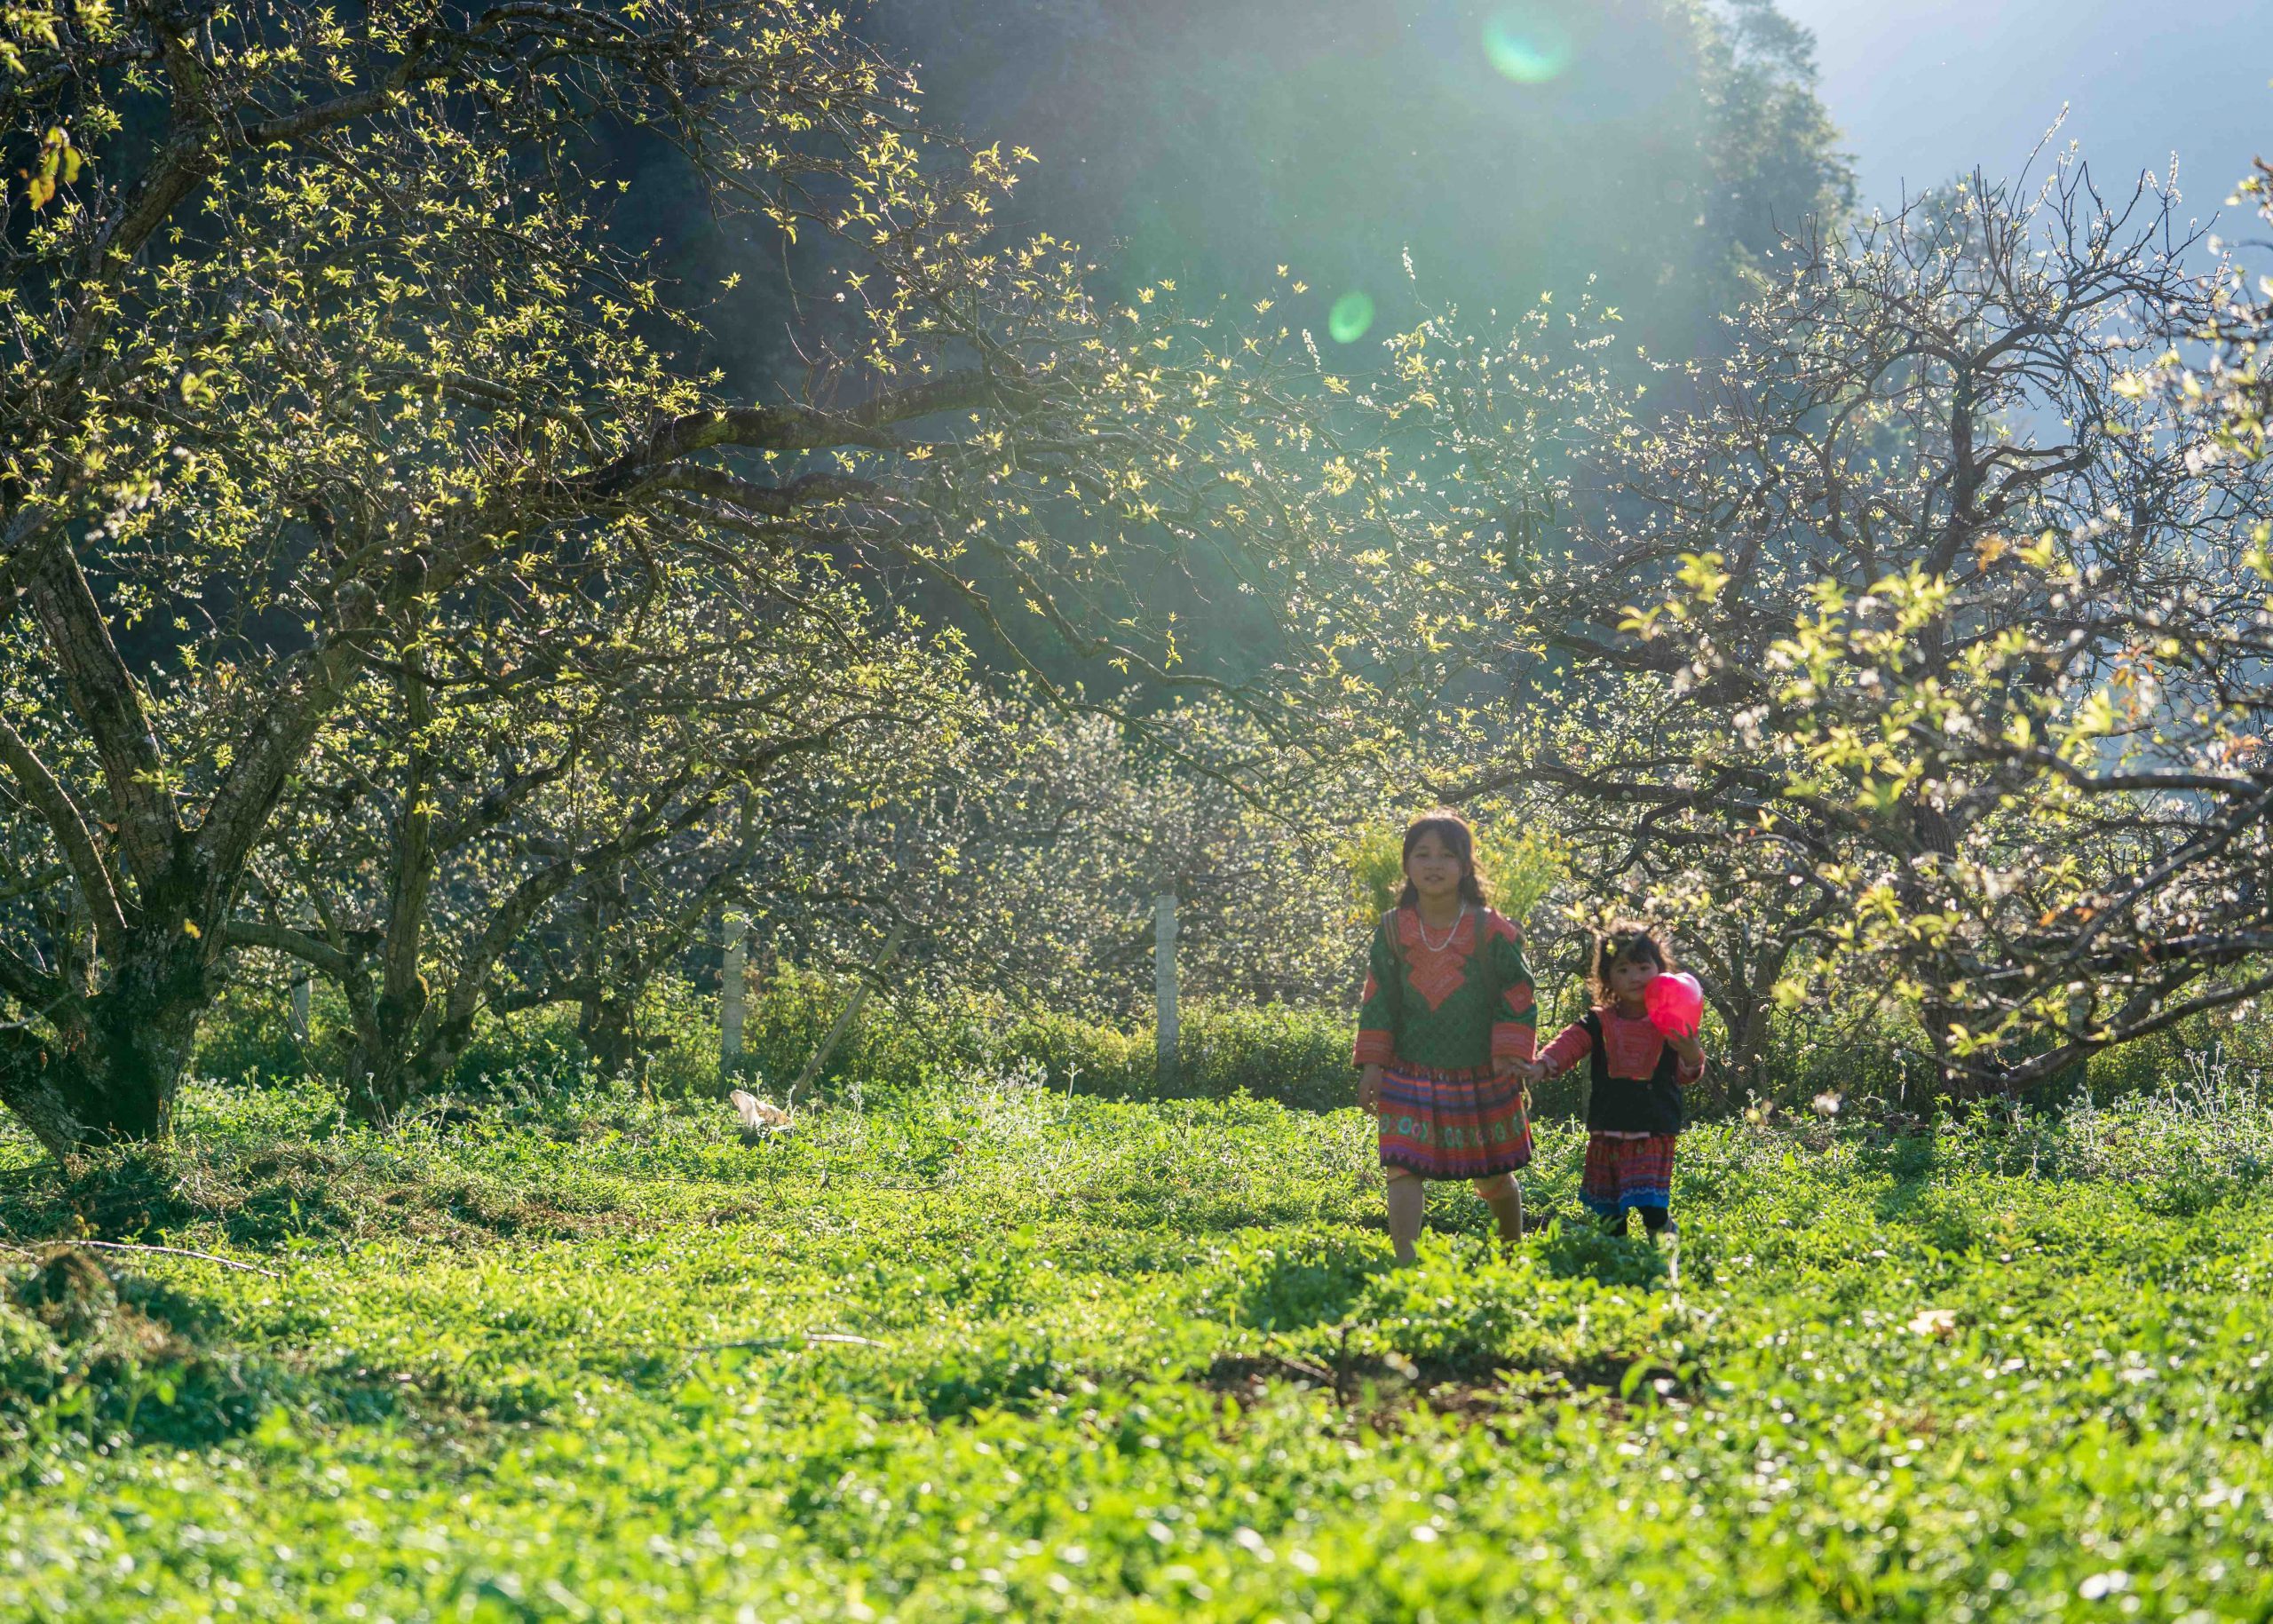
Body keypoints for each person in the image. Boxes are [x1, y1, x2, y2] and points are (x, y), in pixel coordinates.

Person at [1354, 811, 1539, 1265]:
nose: (1433, 864)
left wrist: (1510, 1054)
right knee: (1402, 1167)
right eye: (1422, 854)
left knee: (1494, 1176)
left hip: (1479, 1072)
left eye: (1446, 855)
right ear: (1407, 864)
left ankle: (1512, 1252)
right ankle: (1405, 1262)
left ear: (1465, 866)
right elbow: (1377, 997)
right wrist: (1373, 1066)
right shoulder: (1393, 929)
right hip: (1408, 1070)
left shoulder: (1490, 928)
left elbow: (1517, 991)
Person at [1518, 921, 1705, 1245]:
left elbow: (1686, 1073)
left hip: (1653, 1126)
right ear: (1607, 977)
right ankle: (1614, 1252)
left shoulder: (1670, 1018)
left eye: (1643, 967)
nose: (1634, 977)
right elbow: (1569, 1044)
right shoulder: (1599, 1021)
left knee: (1651, 1202)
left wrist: (1691, 1051)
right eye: (1623, 969)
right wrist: (1543, 1064)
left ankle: (1663, 1239)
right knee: (1609, 1206)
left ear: (1660, 969)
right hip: (1608, 1125)